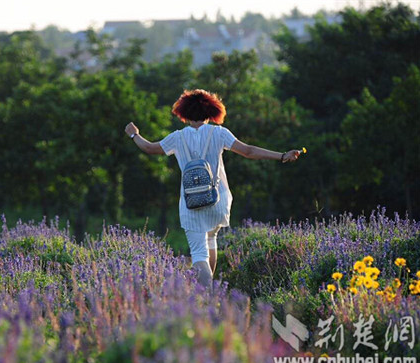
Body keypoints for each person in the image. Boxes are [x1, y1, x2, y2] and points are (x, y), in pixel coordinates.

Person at [124, 89, 303, 290]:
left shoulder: (177, 137)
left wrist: (134, 134)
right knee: (211, 239)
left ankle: (207, 298)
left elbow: (149, 148)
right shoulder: (219, 133)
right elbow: (249, 151)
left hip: (191, 204)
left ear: (184, 114)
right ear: (211, 112)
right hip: (218, 200)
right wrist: (281, 156)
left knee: (198, 253)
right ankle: (211, 294)